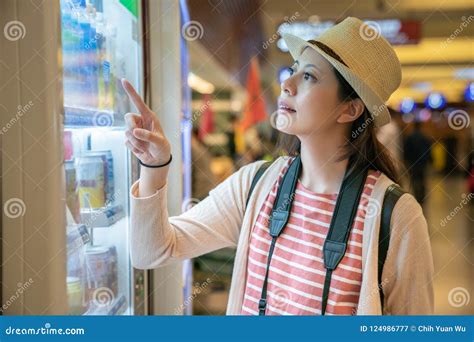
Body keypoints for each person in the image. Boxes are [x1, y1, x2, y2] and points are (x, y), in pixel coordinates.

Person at [123, 17, 434, 315]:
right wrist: (154, 167)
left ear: (349, 109)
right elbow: (152, 251)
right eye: (294, 70)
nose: (288, 83)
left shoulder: (395, 216)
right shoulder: (256, 184)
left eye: (309, 76)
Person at [403, 121, 432, 205]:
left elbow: (406, 150)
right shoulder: (424, 137)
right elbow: (428, 150)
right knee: (422, 179)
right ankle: (422, 197)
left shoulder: (409, 137)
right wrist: (430, 161)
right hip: (422, 163)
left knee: (414, 180)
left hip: (412, 163)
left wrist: (406, 160)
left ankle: (416, 195)